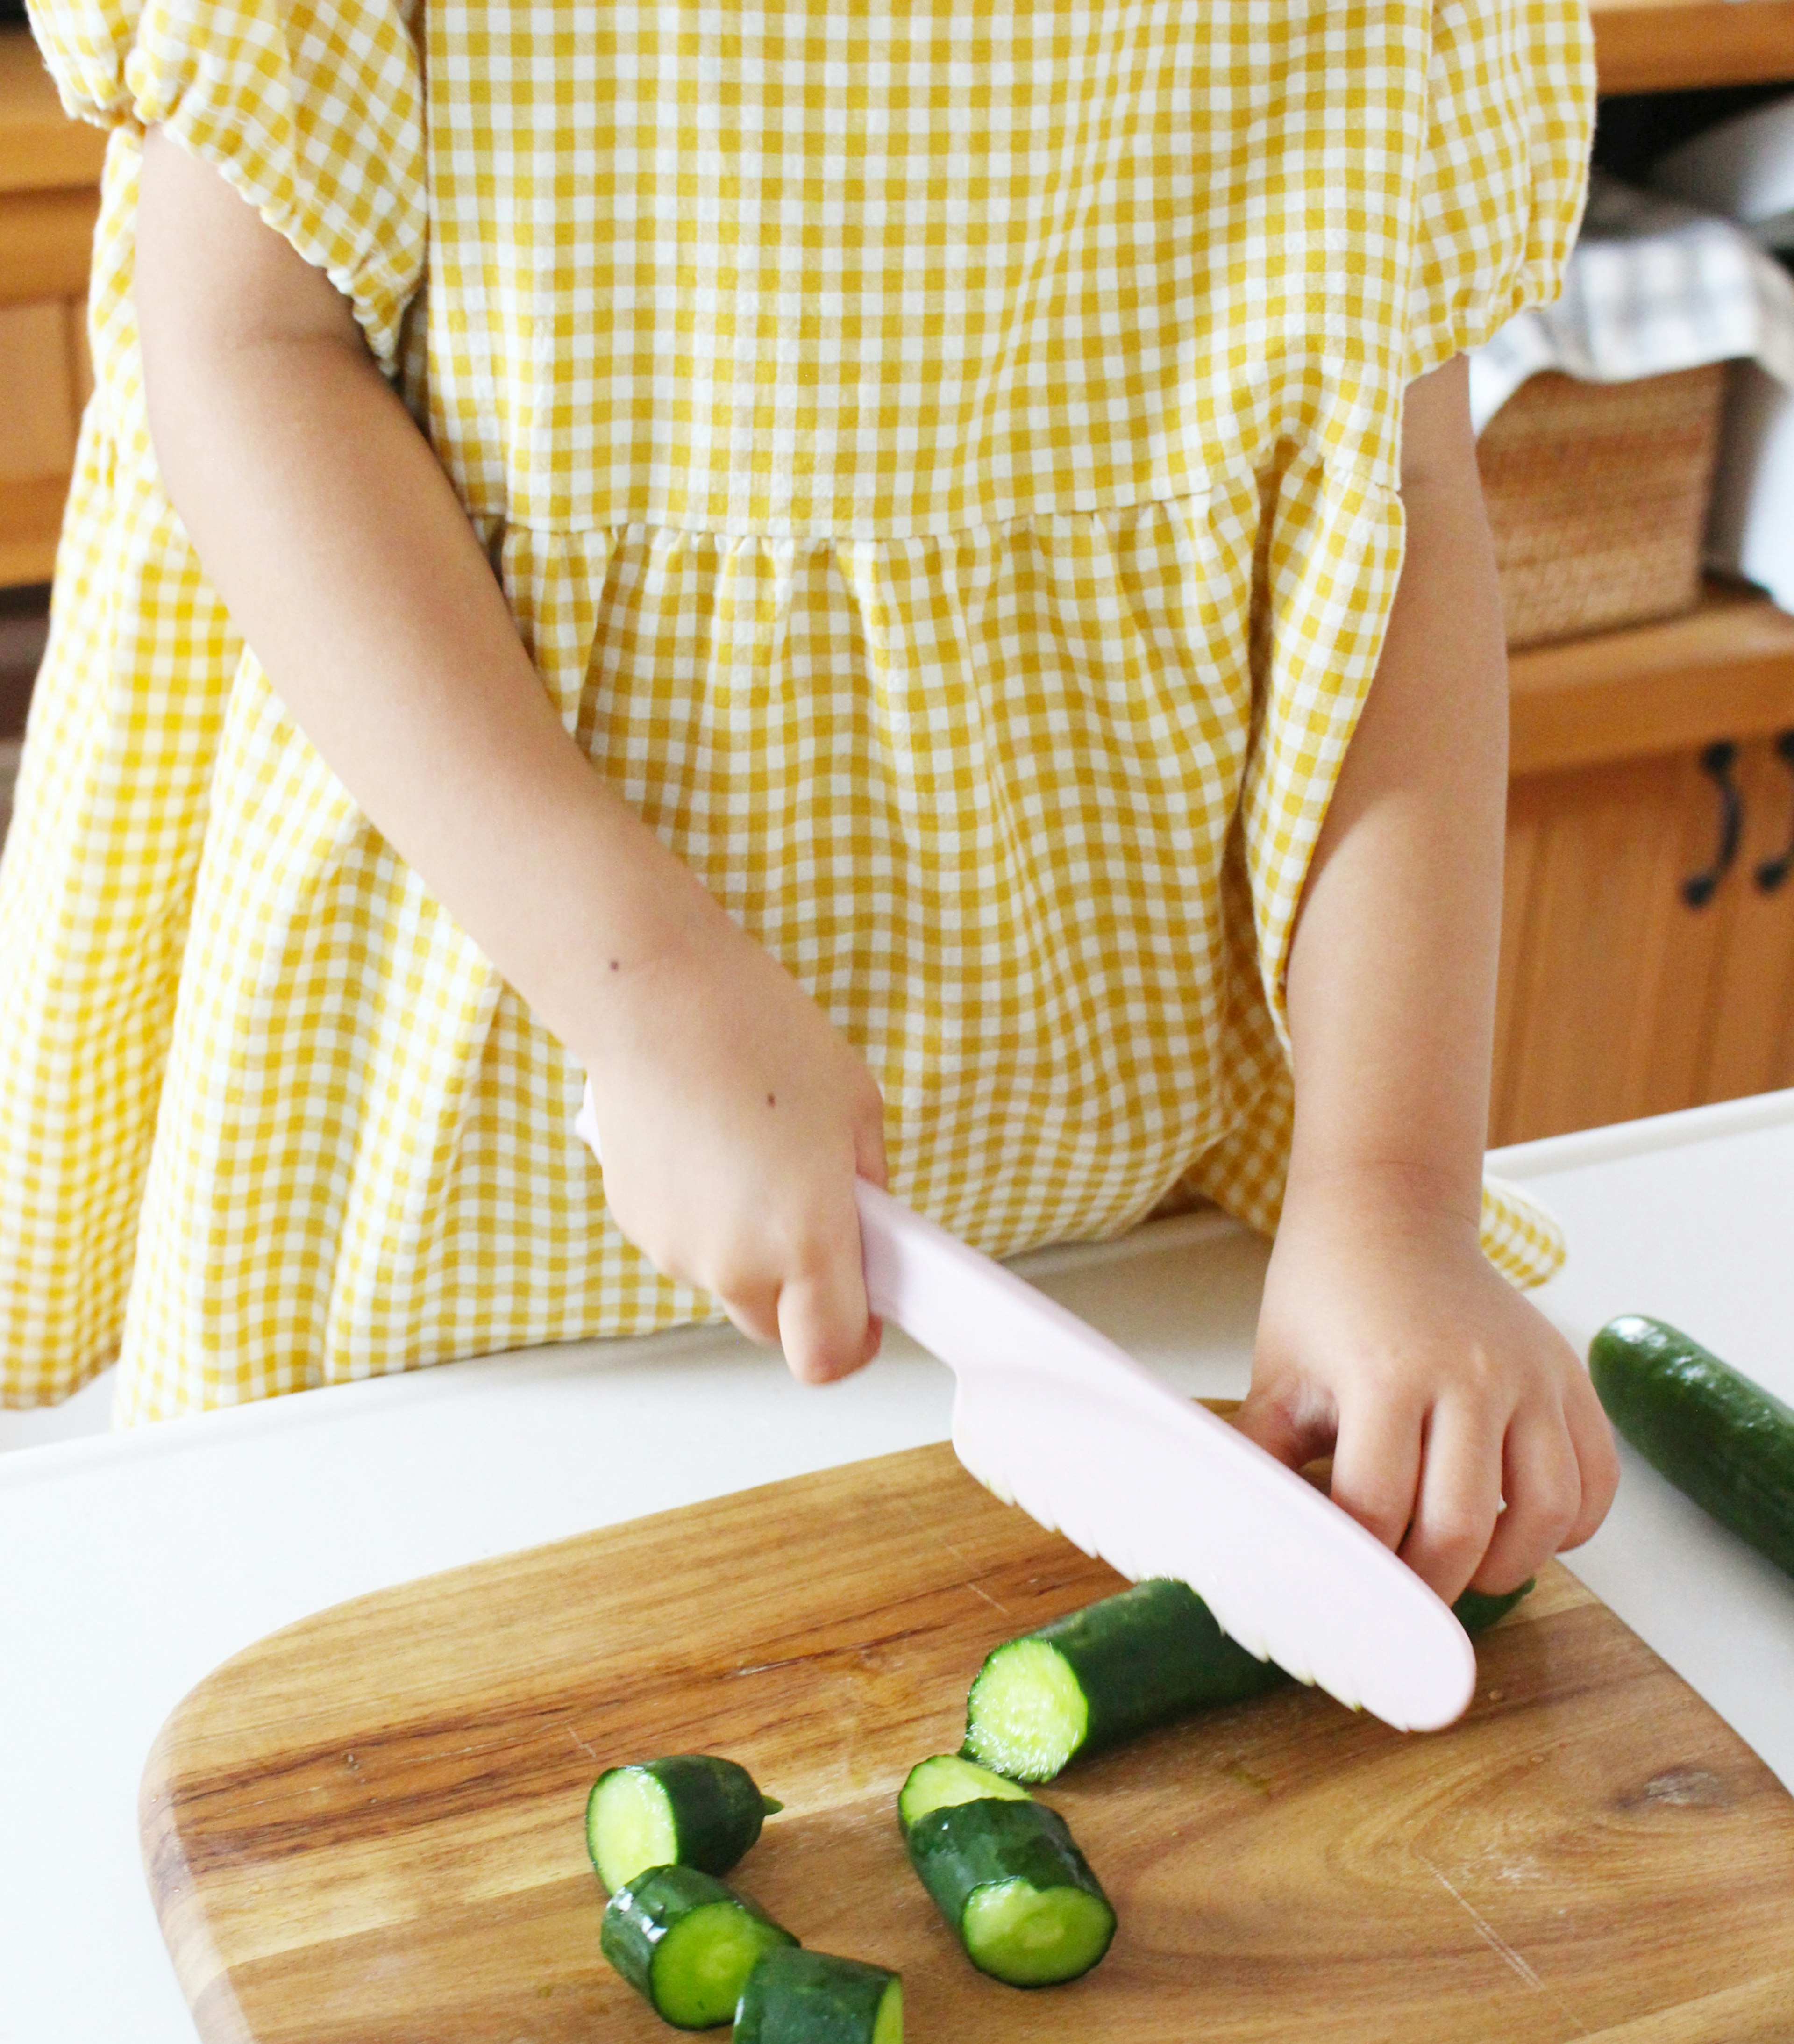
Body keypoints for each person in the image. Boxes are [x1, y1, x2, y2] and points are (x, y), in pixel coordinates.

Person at [0, 0, 1616, 1602]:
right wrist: (648, 989)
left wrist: (1391, 1196)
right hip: (435, 1206)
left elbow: (1395, 494)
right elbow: (244, 352)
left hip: (1121, 1254)